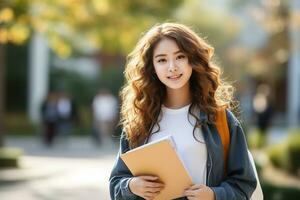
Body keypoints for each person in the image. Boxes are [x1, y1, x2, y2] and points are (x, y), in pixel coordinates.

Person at [109, 23, 257, 200]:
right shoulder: (140, 118)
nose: (172, 67)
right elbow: (116, 183)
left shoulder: (220, 118)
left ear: (193, 60)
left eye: (180, 57)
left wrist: (214, 195)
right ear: (152, 67)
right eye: (162, 60)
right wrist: (131, 186)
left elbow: (244, 184)